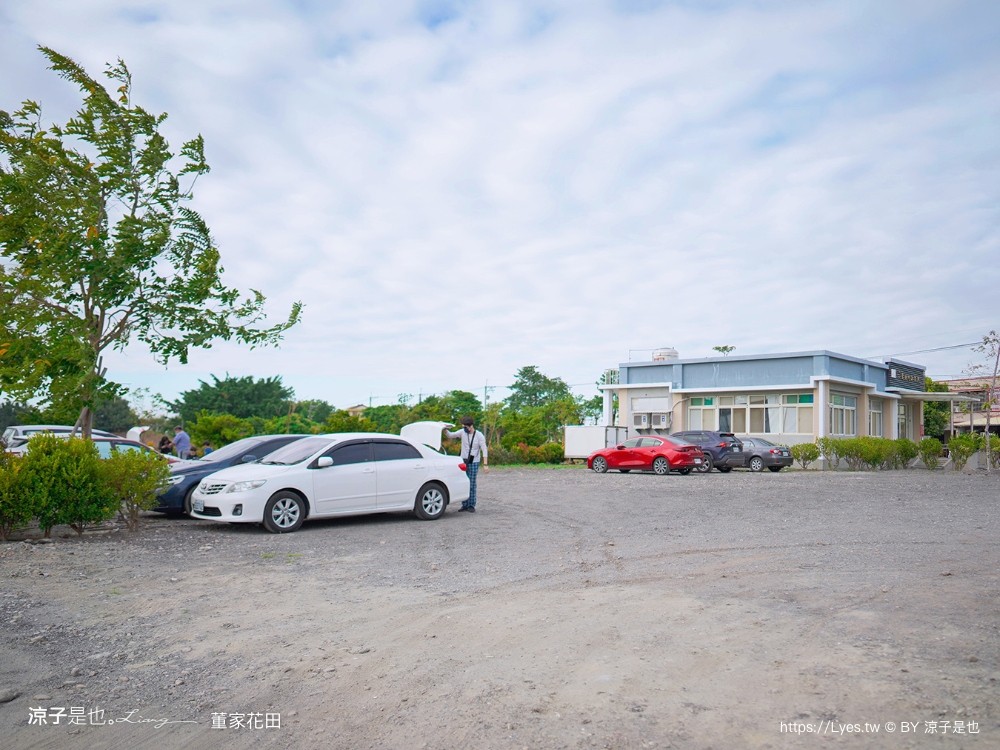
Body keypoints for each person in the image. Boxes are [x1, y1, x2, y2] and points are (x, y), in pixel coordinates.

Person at [443, 417, 488, 513]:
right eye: (463, 427)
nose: (464, 429)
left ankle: (471, 505)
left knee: (471, 483)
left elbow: (484, 449)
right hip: (463, 460)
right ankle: (464, 504)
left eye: (465, 427)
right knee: (463, 482)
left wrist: (485, 464)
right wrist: (444, 429)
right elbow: (451, 435)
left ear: (471, 426)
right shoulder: (462, 432)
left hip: (474, 461)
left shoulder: (479, 435)